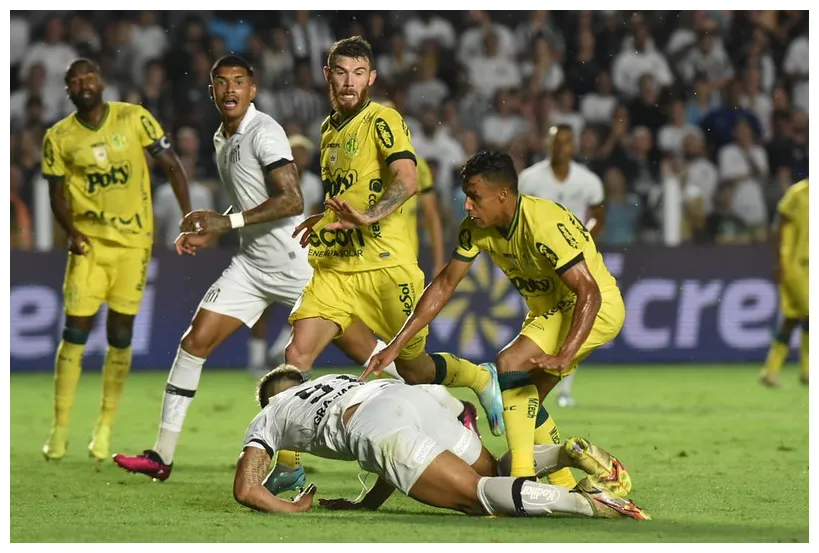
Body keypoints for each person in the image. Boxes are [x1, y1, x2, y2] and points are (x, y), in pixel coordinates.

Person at [112, 55, 474, 490]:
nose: (230, 90)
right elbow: (253, 200)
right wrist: (217, 228)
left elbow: (290, 200)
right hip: (250, 263)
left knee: (369, 352)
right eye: (221, 83)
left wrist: (225, 223)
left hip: (294, 261)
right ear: (211, 91)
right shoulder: (221, 137)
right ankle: (163, 455)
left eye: (239, 82)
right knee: (194, 343)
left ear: (253, 89)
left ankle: (452, 409)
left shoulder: (264, 132)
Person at [287, 37, 505, 438]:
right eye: (340, 73)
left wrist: (366, 217)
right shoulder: (326, 130)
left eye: (357, 74)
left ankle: (478, 377)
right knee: (296, 355)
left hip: (387, 266)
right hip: (337, 268)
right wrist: (325, 215)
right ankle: (289, 465)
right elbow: (352, 189)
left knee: (413, 367)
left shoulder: (382, 120)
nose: (349, 82)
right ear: (327, 77)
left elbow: (407, 182)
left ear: (371, 77)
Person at [366, 151, 626, 483]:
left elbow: (589, 291)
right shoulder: (475, 229)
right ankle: (566, 487)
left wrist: (566, 353)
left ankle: (520, 481)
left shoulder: (545, 223)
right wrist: (396, 344)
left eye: (474, 196)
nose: (467, 205)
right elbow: (445, 284)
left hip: (594, 307)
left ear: (502, 194)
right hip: (551, 311)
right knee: (525, 402)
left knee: (510, 363)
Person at [232, 365, 649, 520]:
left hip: (373, 425)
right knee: (490, 471)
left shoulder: (269, 413)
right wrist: (366, 505)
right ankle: (564, 452)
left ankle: (588, 503)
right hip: (406, 397)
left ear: (271, 397)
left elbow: (246, 489)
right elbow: (388, 452)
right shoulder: (330, 381)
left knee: (477, 496)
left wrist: (291, 506)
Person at [41, 58, 192, 462]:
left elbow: (171, 166)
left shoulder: (134, 118)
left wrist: (188, 216)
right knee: (74, 330)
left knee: (120, 333)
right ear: (68, 90)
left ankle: (104, 428)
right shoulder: (59, 137)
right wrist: (72, 233)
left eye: (88, 76)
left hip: (132, 245)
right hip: (89, 245)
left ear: (101, 81)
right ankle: (59, 429)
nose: (83, 83)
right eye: (74, 80)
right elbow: (56, 196)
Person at [518, 124, 606, 408]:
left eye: (566, 142)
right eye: (556, 141)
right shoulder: (529, 179)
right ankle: (530, 382)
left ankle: (564, 388)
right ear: (548, 143)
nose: (561, 147)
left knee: (572, 320)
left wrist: (580, 244)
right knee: (538, 322)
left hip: (571, 265)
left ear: (573, 146)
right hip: (537, 266)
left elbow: (598, 217)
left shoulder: (588, 181)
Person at [760, 179, 809, 387]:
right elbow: (779, 225)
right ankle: (808, 371)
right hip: (795, 266)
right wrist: (779, 262)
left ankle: (771, 370)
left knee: (793, 318)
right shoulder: (798, 193)